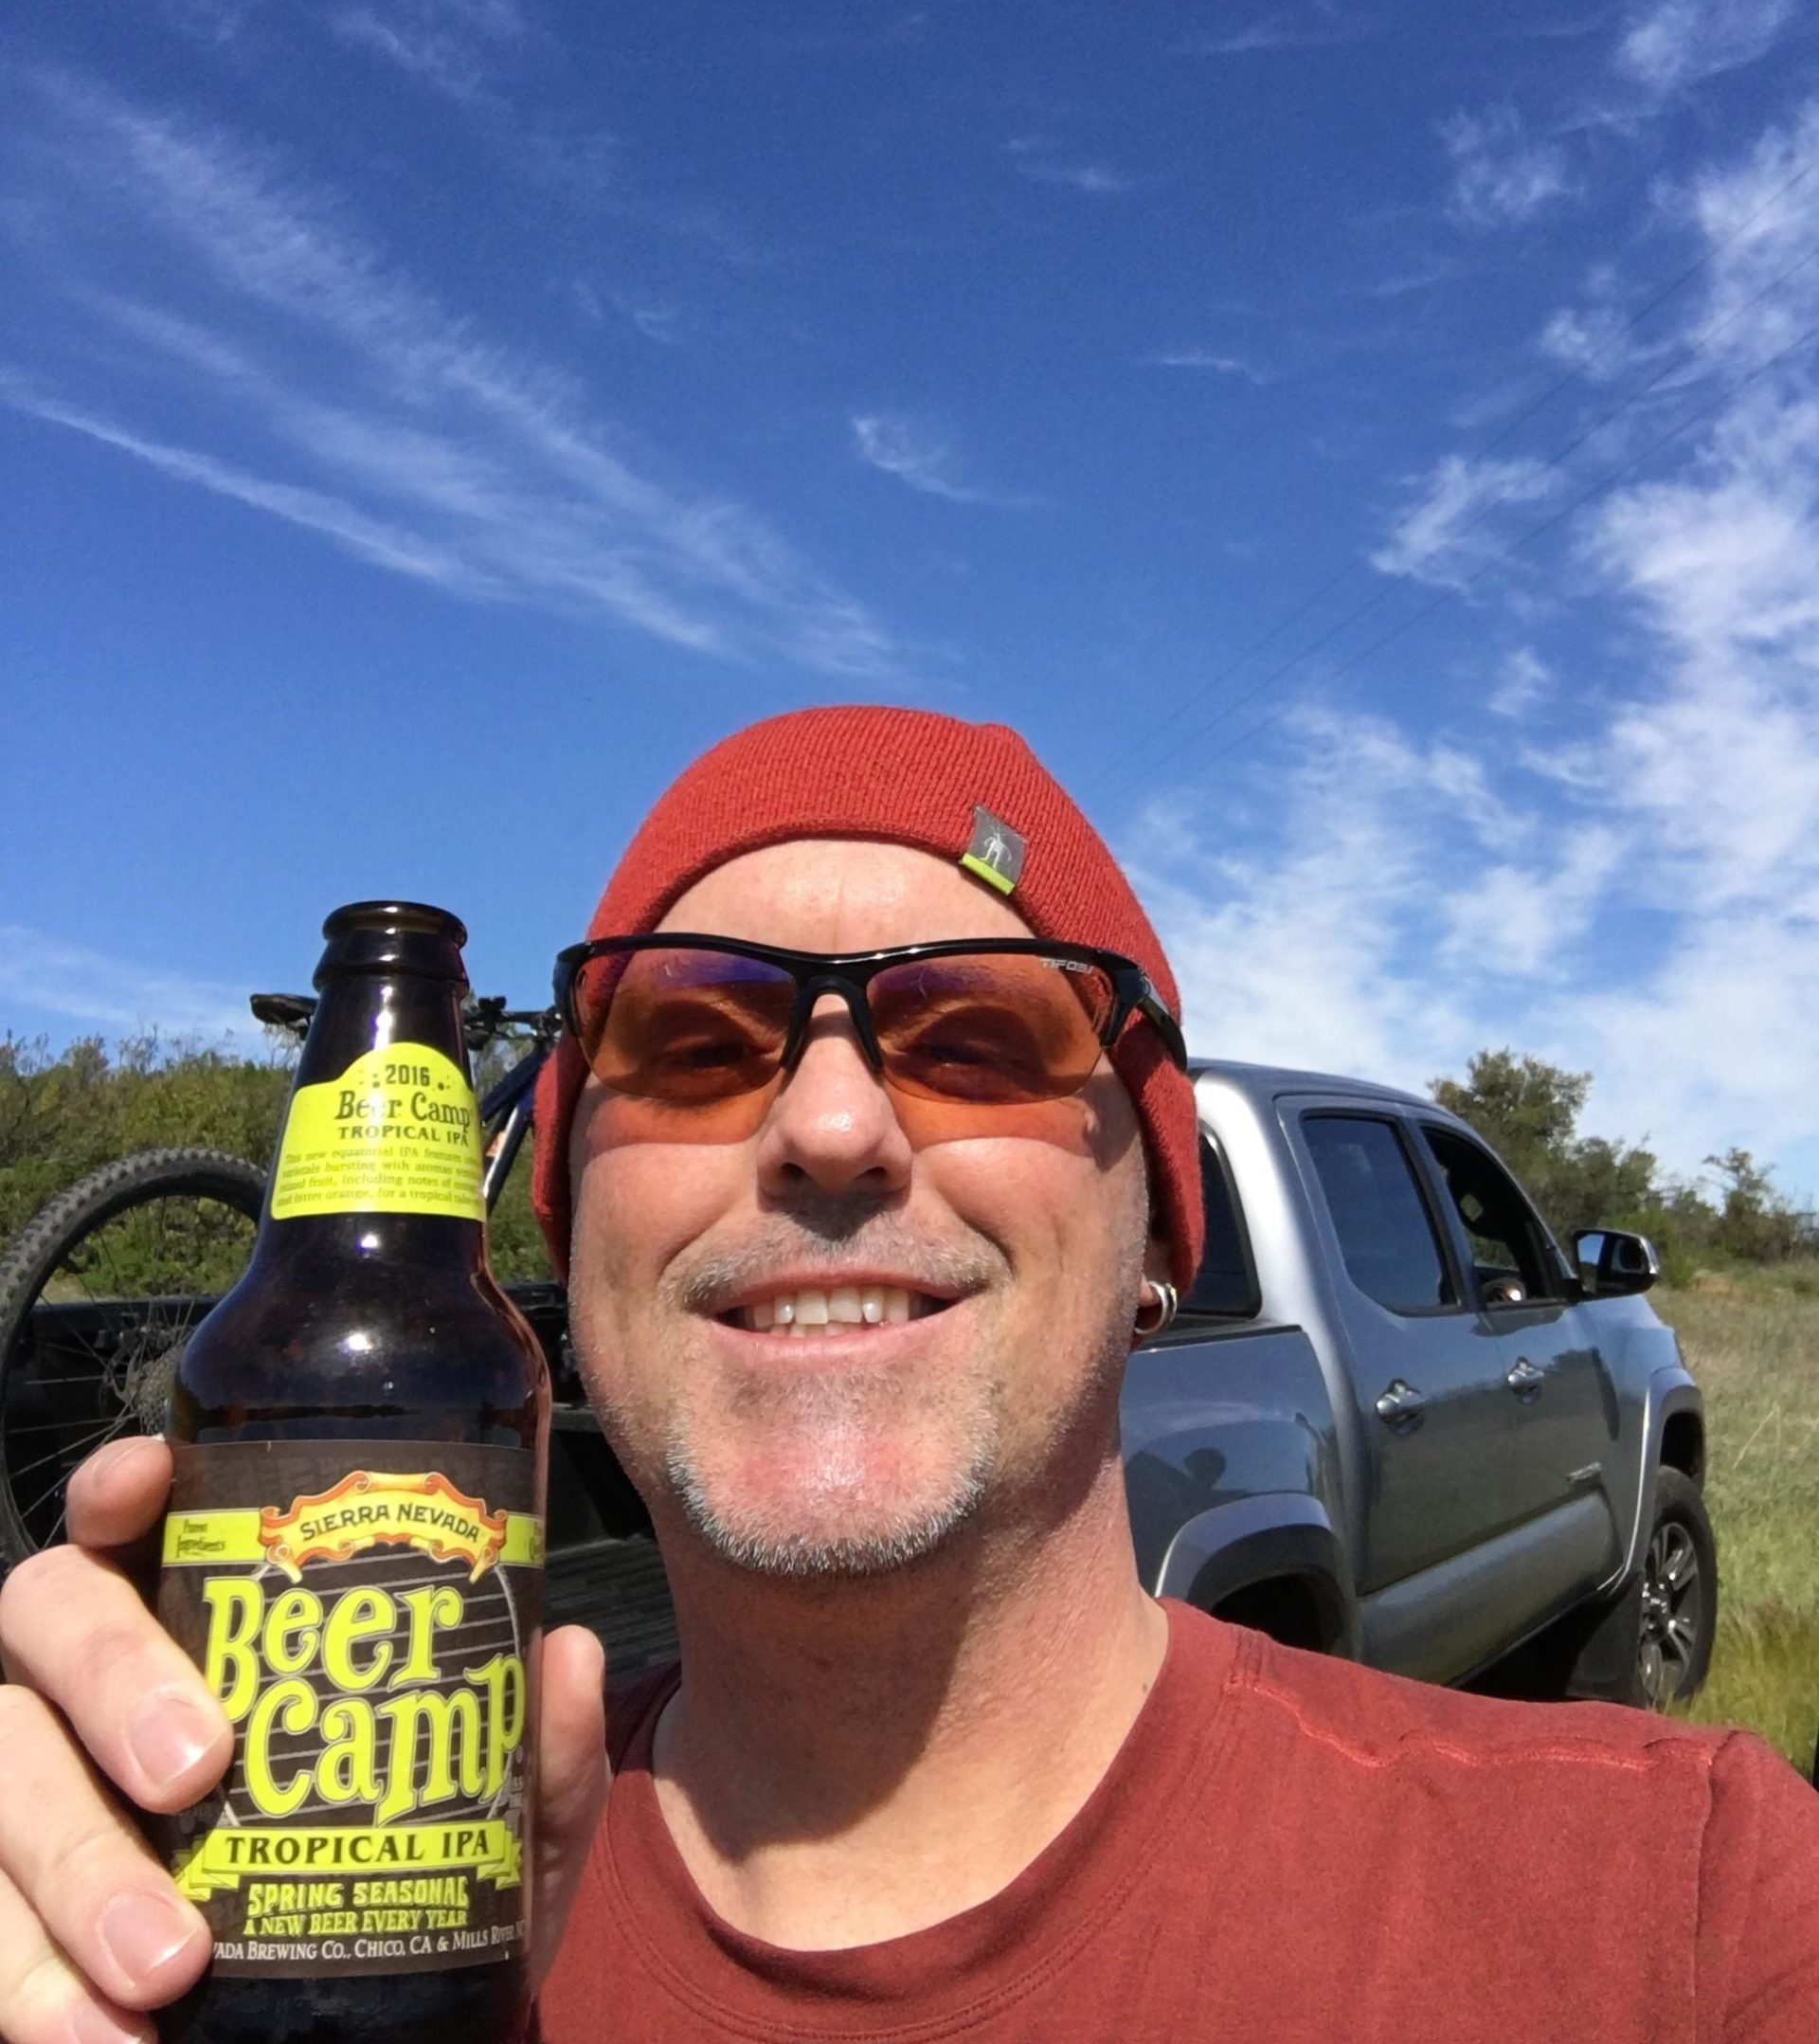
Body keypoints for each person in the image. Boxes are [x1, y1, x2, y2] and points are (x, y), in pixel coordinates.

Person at [2, 703, 1817, 2044]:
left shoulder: (1683, 1915)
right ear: (563, 1233)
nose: (834, 1118)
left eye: (977, 1032)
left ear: (1163, 1237)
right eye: (692, 1036)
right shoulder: (245, 1902)